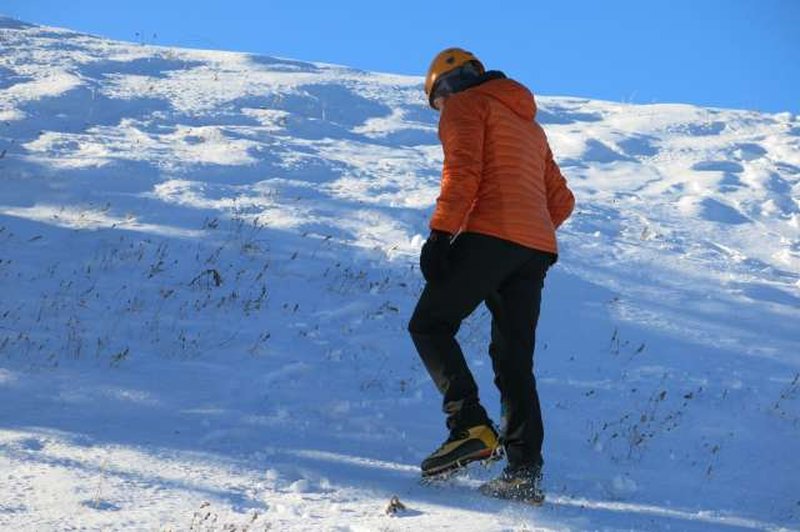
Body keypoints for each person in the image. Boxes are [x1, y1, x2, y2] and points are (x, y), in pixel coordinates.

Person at [408, 48, 575, 502]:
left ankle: (470, 426)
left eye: (437, 102)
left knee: (429, 324)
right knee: (513, 358)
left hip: (490, 236)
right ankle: (524, 472)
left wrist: (441, 236)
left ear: (447, 86)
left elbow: (463, 173)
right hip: (535, 249)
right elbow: (562, 201)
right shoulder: (528, 124)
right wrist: (525, 231)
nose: (440, 111)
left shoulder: (465, 105)